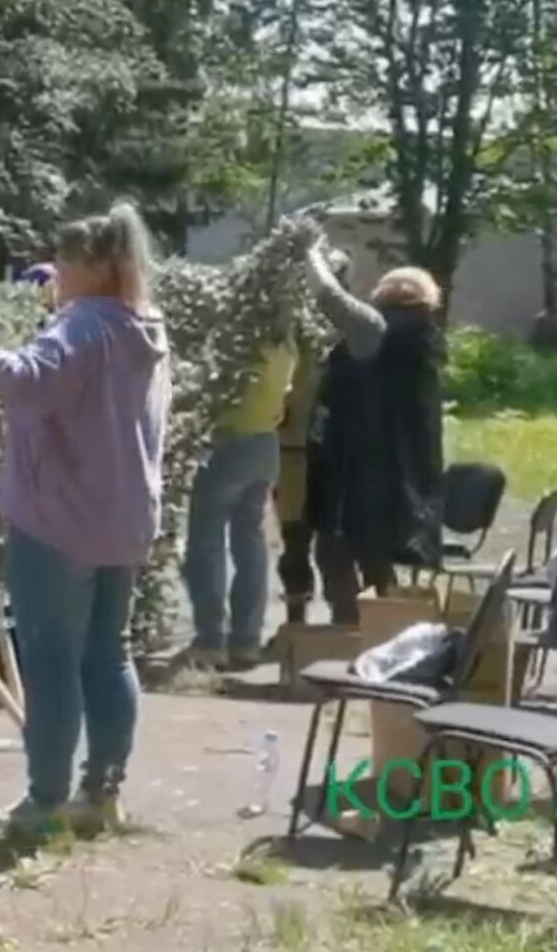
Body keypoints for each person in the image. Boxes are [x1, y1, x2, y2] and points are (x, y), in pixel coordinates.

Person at [0, 203, 172, 838]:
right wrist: (54, 306)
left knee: (51, 661)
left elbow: (24, 380)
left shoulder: (82, 327)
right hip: (123, 520)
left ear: (97, 267)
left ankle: (43, 804)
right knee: (109, 655)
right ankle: (102, 794)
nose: (55, 270)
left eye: (64, 260)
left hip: (58, 521)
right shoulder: (140, 325)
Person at [302, 247, 446, 623]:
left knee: (336, 552)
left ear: (382, 297)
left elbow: (329, 298)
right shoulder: (425, 337)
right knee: (377, 557)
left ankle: (350, 627)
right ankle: (383, 628)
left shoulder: (376, 329)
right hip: (405, 471)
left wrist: (308, 251)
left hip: (361, 466)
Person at [181, 333, 296, 669]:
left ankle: (211, 640)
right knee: (251, 541)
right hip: (264, 442)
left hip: (229, 441)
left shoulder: (237, 339)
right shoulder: (283, 340)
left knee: (206, 540)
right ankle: (246, 640)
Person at [275, 249, 348, 625]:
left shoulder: (349, 332)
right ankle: (295, 621)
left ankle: (343, 620)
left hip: (333, 453)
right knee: (294, 540)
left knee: (334, 543)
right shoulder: (289, 330)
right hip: (293, 450)